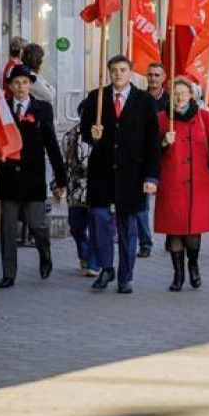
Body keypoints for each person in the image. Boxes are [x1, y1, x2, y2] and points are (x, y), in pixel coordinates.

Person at [80, 54, 160, 294]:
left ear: (130, 72)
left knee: (128, 226)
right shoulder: (97, 98)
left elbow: (152, 142)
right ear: (108, 72)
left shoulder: (144, 101)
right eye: (114, 70)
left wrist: (152, 176)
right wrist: (91, 135)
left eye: (123, 70)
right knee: (98, 217)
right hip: (102, 172)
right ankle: (106, 267)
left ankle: (126, 276)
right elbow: (84, 131)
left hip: (132, 174)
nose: (118, 74)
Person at [0, 65, 67, 288]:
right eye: (16, 83)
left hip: (33, 176)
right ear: (10, 86)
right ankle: (8, 273)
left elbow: (51, 145)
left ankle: (45, 252)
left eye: (25, 82)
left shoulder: (42, 109)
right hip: (9, 176)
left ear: (30, 85)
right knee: (8, 228)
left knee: (36, 223)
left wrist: (61, 179)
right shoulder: (2, 109)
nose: (21, 87)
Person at [155, 76, 209, 290]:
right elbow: (150, 151)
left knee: (193, 230)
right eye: (175, 92)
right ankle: (178, 274)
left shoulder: (204, 117)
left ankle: (193, 265)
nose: (179, 96)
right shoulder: (162, 118)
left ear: (192, 95)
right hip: (172, 182)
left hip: (199, 182)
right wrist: (164, 141)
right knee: (174, 229)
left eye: (183, 92)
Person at [136, 62, 170, 257]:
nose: (153, 79)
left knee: (168, 200)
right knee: (143, 202)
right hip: (145, 156)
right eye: (150, 75)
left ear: (164, 77)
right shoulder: (139, 99)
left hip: (167, 155)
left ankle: (171, 236)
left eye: (157, 75)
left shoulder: (170, 101)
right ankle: (145, 242)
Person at [63, 100, 100, 278]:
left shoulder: (106, 135)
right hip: (76, 188)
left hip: (98, 187)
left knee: (96, 225)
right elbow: (64, 162)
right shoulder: (71, 135)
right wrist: (58, 183)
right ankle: (83, 251)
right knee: (76, 226)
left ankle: (94, 262)